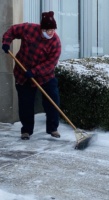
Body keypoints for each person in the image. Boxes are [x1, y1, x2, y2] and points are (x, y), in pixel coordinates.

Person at [2, 11, 62, 140]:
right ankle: (26, 130)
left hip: (45, 76)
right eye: (47, 29)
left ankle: (53, 128)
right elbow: (12, 30)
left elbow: (51, 63)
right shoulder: (29, 29)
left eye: (52, 29)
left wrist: (34, 71)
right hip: (22, 74)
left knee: (52, 101)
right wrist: (6, 42)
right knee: (25, 103)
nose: (50, 32)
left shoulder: (55, 42)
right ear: (41, 28)